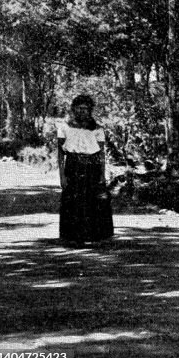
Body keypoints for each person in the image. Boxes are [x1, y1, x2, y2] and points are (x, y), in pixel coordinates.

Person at [57, 94, 113, 245]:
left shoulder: (97, 129)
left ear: (90, 111)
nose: (82, 112)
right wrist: (62, 176)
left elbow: (101, 154)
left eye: (85, 109)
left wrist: (102, 174)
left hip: (92, 166)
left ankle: (94, 237)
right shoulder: (65, 127)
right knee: (73, 202)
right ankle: (73, 238)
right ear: (74, 110)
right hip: (73, 166)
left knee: (93, 202)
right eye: (79, 109)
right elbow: (61, 154)